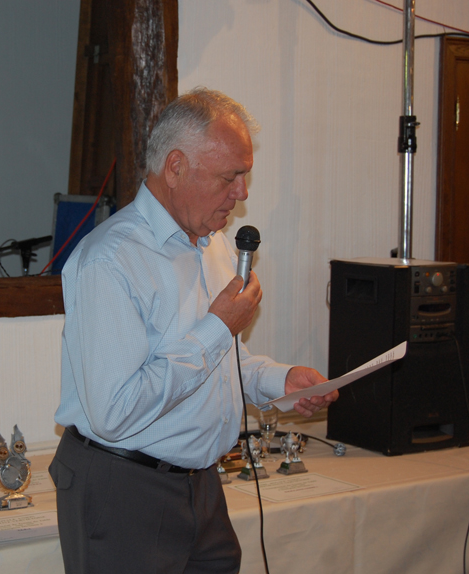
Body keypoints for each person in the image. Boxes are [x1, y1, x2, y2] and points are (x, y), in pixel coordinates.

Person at [49, 87, 338, 574]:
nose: (242, 193)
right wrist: (218, 325)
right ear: (176, 166)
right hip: (124, 488)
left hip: (201, 485)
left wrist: (279, 381)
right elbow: (115, 412)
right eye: (230, 177)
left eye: (245, 176)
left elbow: (217, 362)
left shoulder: (213, 244)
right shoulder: (110, 260)